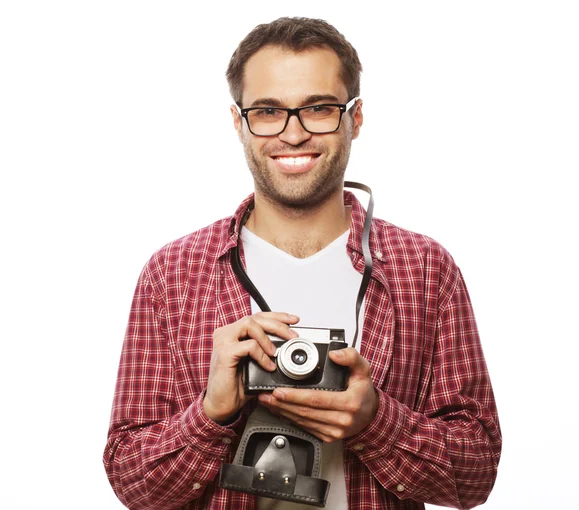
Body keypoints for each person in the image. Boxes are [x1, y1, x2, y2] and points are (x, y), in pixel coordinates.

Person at [104, 16, 501, 510]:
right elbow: (131, 481)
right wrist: (211, 415)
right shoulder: (173, 274)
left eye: (319, 108)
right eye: (268, 111)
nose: (293, 134)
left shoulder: (424, 269)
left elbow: (476, 473)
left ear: (355, 118)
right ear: (238, 121)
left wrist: (375, 423)